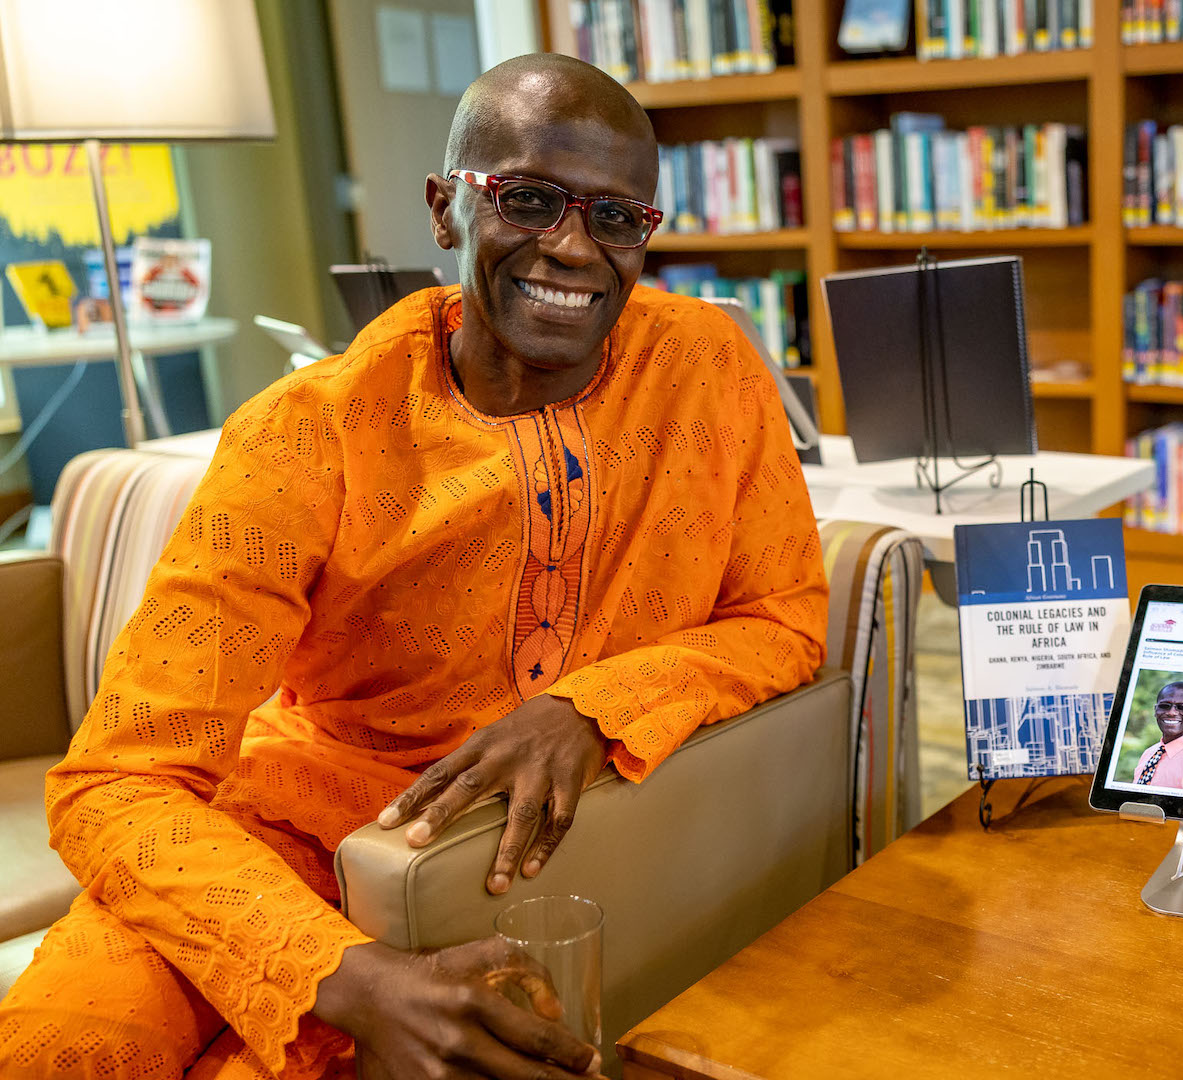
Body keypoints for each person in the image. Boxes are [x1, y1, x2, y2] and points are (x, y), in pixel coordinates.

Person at [0, 53, 827, 1080]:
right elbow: (118, 783)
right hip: (278, 835)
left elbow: (783, 616)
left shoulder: (708, 367)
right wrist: (342, 973)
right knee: (50, 1053)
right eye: (527, 199)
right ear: (445, 210)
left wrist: (588, 707)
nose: (572, 247)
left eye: (616, 218)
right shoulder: (309, 434)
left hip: (497, 865)